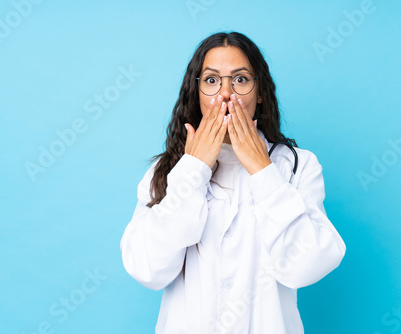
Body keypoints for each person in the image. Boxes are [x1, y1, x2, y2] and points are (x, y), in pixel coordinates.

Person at [120, 31, 346, 334]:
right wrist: (194, 168)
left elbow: (308, 265)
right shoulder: (168, 170)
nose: (226, 95)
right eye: (212, 81)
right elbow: (147, 268)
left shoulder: (297, 166)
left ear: (260, 91)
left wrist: (262, 170)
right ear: (197, 94)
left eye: (240, 80)